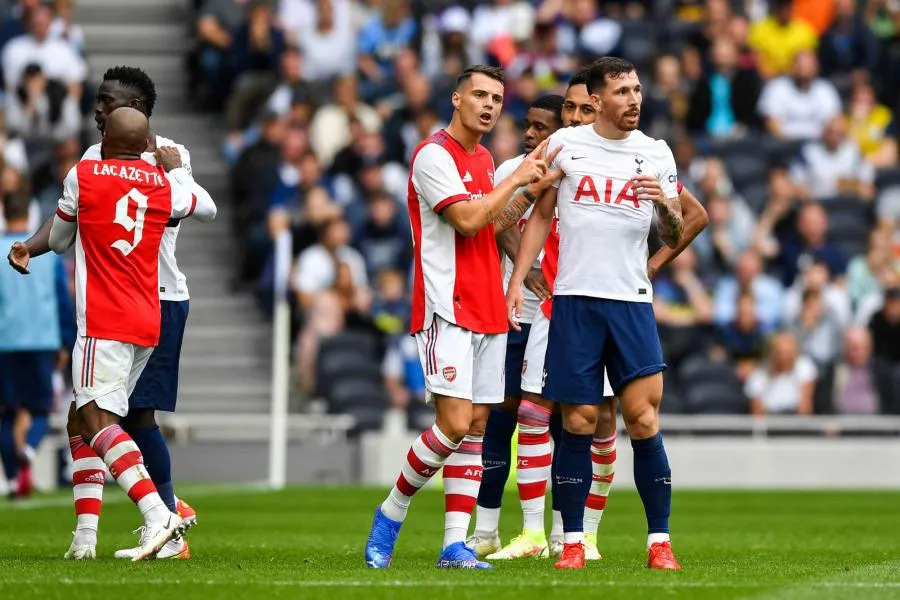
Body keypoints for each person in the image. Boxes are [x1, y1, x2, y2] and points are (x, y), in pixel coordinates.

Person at [475, 66, 708, 563]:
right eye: (623, 91)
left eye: (638, 90)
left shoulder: (656, 152)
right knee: (578, 421)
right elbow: (535, 214)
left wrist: (663, 208)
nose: (634, 99)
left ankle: (659, 542)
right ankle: (572, 543)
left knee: (643, 419)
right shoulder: (565, 145)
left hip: (631, 302)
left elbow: (674, 229)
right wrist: (518, 281)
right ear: (598, 101)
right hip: (574, 300)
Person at [7, 66, 216, 560]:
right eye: (100, 100)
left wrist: (174, 168)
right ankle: (85, 540)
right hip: (144, 307)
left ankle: (163, 518)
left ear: (136, 112)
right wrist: (170, 176)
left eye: (109, 101)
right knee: (83, 418)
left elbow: (62, 232)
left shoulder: (105, 166)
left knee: (124, 417)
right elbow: (199, 206)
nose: (99, 109)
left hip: (139, 302)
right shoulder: (134, 168)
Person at [364, 64, 557, 570]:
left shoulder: (485, 158)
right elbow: (470, 220)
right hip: (446, 306)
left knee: (474, 425)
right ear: (456, 98)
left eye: (496, 97)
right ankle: (391, 510)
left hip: (488, 305)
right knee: (451, 423)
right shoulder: (433, 156)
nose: (489, 105)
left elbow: (494, 226)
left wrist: (529, 190)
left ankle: (455, 544)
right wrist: (515, 178)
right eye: (479, 95)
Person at [468, 93, 565, 560]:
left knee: (561, 424)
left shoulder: (575, 174)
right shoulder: (511, 171)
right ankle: (486, 528)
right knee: (498, 420)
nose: (530, 134)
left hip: (556, 316)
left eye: (541, 127)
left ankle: (564, 534)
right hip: (512, 313)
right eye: (529, 125)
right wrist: (526, 271)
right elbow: (496, 224)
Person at [0, 193, 73, 499]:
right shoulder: (46, 255)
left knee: (5, 413)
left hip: (5, 342)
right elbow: (61, 300)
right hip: (43, 340)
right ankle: (29, 448)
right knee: (42, 409)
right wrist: (66, 341)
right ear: (29, 214)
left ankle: (15, 479)